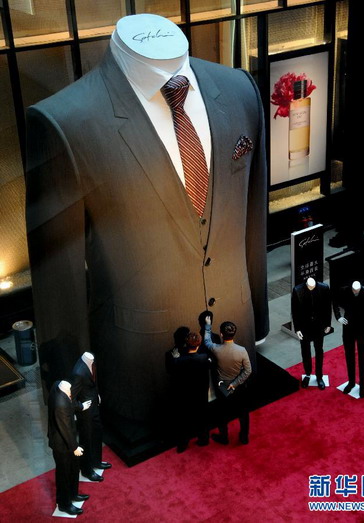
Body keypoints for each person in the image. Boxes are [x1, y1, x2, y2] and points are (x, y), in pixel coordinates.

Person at [25, 13, 269, 433]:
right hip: (140, 367)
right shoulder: (64, 121)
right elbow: (57, 279)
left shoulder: (240, 89)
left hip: (235, 341)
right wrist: (70, 382)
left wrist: (257, 319)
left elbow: (253, 217)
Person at [204, 315, 252, 445]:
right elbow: (248, 371)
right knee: (243, 413)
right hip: (239, 387)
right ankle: (244, 437)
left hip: (222, 387)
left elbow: (207, 341)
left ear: (221, 334)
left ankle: (224, 437)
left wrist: (207, 326)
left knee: (222, 414)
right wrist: (235, 383)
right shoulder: (242, 351)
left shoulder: (216, 349)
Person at [48, 380, 89, 516]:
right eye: (70, 392)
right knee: (64, 475)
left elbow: (70, 401)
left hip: (66, 441)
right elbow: (65, 429)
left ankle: (73, 494)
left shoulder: (57, 386)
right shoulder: (61, 405)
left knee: (73, 468)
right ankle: (64, 504)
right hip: (61, 445)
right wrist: (75, 447)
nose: (71, 393)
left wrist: (80, 406)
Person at [333, 281, 364, 398]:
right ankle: (351, 382)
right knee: (349, 355)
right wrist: (338, 316)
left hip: (363, 330)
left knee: (362, 358)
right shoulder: (344, 290)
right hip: (348, 328)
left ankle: (362, 384)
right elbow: (335, 301)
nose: (355, 291)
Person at [70, 352, 111, 481]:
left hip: (94, 405)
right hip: (85, 412)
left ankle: (96, 462)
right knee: (86, 440)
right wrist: (80, 406)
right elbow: (71, 397)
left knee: (97, 433)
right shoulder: (78, 372)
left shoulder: (92, 362)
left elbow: (93, 383)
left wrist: (96, 394)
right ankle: (86, 470)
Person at [167, 331, 210, 453]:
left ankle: (183, 445)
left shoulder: (178, 361)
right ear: (199, 344)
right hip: (201, 393)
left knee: (184, 420)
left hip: (185, 395)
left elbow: (172, 371)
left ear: (186, 343)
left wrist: (176, 358)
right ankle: (203, 439)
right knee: (202, 417)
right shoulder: (204, 357)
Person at [291, 277, 332, 390]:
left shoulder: (324, 288)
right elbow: (295, 311)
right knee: (305, 351)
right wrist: (297, 328)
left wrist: (328, 324)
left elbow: (327, 307)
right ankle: (308, 374)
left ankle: (319, 376)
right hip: (304, 326)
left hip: (319, 326)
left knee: (319, 350)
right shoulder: (297, 290)